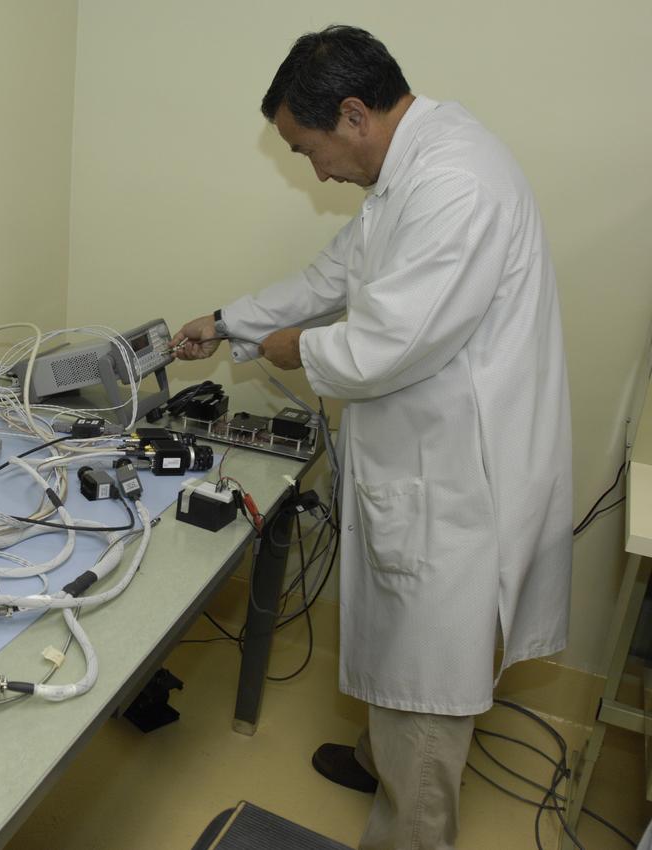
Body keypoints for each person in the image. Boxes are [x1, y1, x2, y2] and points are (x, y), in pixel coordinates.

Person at [172, 25, 572, 850]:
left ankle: (411, 827)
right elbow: (334, 277)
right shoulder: (409, 171)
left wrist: (295, 351)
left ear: (354, 114)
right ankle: (378, 758)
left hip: (460, 480)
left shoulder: (456, 181)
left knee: (431, 674)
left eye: (307, 147)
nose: (314, 169)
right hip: (423, 460)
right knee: (401, 635)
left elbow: (386, 340)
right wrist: (228, 323)